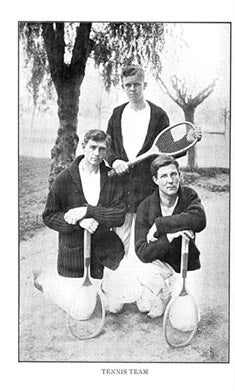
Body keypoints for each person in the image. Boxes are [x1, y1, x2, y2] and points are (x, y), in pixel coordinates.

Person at [102, 64, 202, 313]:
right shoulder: (116, 114)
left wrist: (188, 140)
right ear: (123, 87)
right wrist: (115, 161)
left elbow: (169, 150)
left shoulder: (158, 116)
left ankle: (151, 293)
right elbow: (107, 147)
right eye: (127, 85)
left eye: (137, 84)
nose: (132, 89)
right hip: (121, 196)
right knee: (122, 245)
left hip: (148, 195)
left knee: (148, 246)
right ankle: (122, 293)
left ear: (144, 85)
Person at [34, 129, 126, 313]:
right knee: (83, 313)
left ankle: (98, 290)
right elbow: (49, 215)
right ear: (83, 146)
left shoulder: (111, 177)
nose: (96, 154)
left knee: (116, 307)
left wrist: (88, 211)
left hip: (104, 254)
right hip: (75, 254)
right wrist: (78, 223)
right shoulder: (65, 178)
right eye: (92, 147)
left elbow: (119, 215)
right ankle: (45, 280)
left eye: (102, 149)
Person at [134, 155, 206, 317]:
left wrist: (160, 225)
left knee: (184, 323)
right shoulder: (145, 206)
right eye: (164, 176)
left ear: (180, 176)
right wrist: (170, 235)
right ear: (155, 180)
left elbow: (199, 219)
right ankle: (162, 293)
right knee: (142, 279)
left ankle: (174, 293)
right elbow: (142, 251)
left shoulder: (189, 195)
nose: (170, 180)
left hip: (185, 265)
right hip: (160, 265)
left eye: (174, 174)